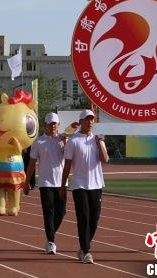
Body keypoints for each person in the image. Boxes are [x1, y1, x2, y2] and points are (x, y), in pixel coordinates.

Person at [60, 109, 108, 264]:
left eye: (92, 120)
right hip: (79, 185)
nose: (90, 122)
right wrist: (62, 186)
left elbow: (105, 159)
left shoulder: (98, 139)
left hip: (96, 184)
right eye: (87, 120)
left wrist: (99, 142)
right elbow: (67, 165)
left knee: (94, 219)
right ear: (80, 122)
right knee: (84, 217)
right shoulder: (73, 141)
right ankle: (86, 251)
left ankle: (83, 246)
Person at [24, 112, 66, 255]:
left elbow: (71, 156)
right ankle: (50, 241)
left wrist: (66, 141)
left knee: (61, 212)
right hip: (45, 183)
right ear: (45, 126)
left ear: (58, 125)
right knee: (49, 212)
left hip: (62, 183)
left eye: (55, 124)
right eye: (50, 124)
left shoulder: (63, 141)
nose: (53, 126)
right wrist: (26, 182)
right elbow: (31, 164)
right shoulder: (38, 142)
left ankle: (51, 233)